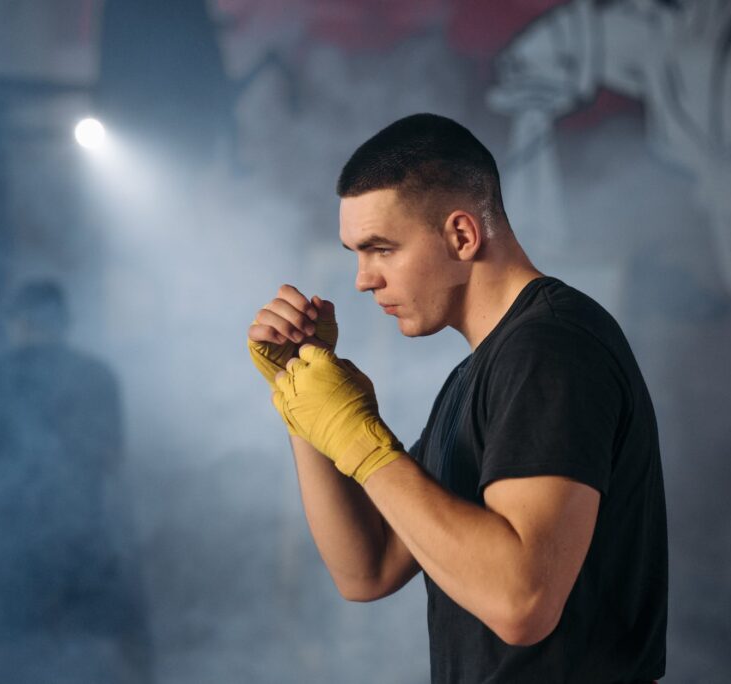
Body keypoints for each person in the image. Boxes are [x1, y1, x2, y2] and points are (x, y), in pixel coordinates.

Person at [247, 113, 667, 682]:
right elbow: (367, 570)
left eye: (381, 249)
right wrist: (303, 400)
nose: (363, 280)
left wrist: (362, 443)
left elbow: (522, 604)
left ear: (462, 235)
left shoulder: (550, 348)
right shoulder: (476, 373)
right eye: (356, 253)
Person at [0, 279, 152, 684]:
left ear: (20, 322)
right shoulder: (99, 376)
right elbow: (114, 464)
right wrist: (126, 538)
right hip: (84, 528)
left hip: (12, 534)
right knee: (120, 643)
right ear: (64, 323)